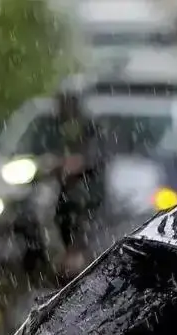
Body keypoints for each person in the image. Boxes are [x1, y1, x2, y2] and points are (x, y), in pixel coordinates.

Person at [49, 88, 107, 273]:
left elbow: (97, 154)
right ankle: (71, 256)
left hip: (87, 188)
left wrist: (80, 162)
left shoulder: (89, 126)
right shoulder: (59, 127)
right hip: (67, 188)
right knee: (63, 218)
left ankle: (80, 258)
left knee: (83, 223)